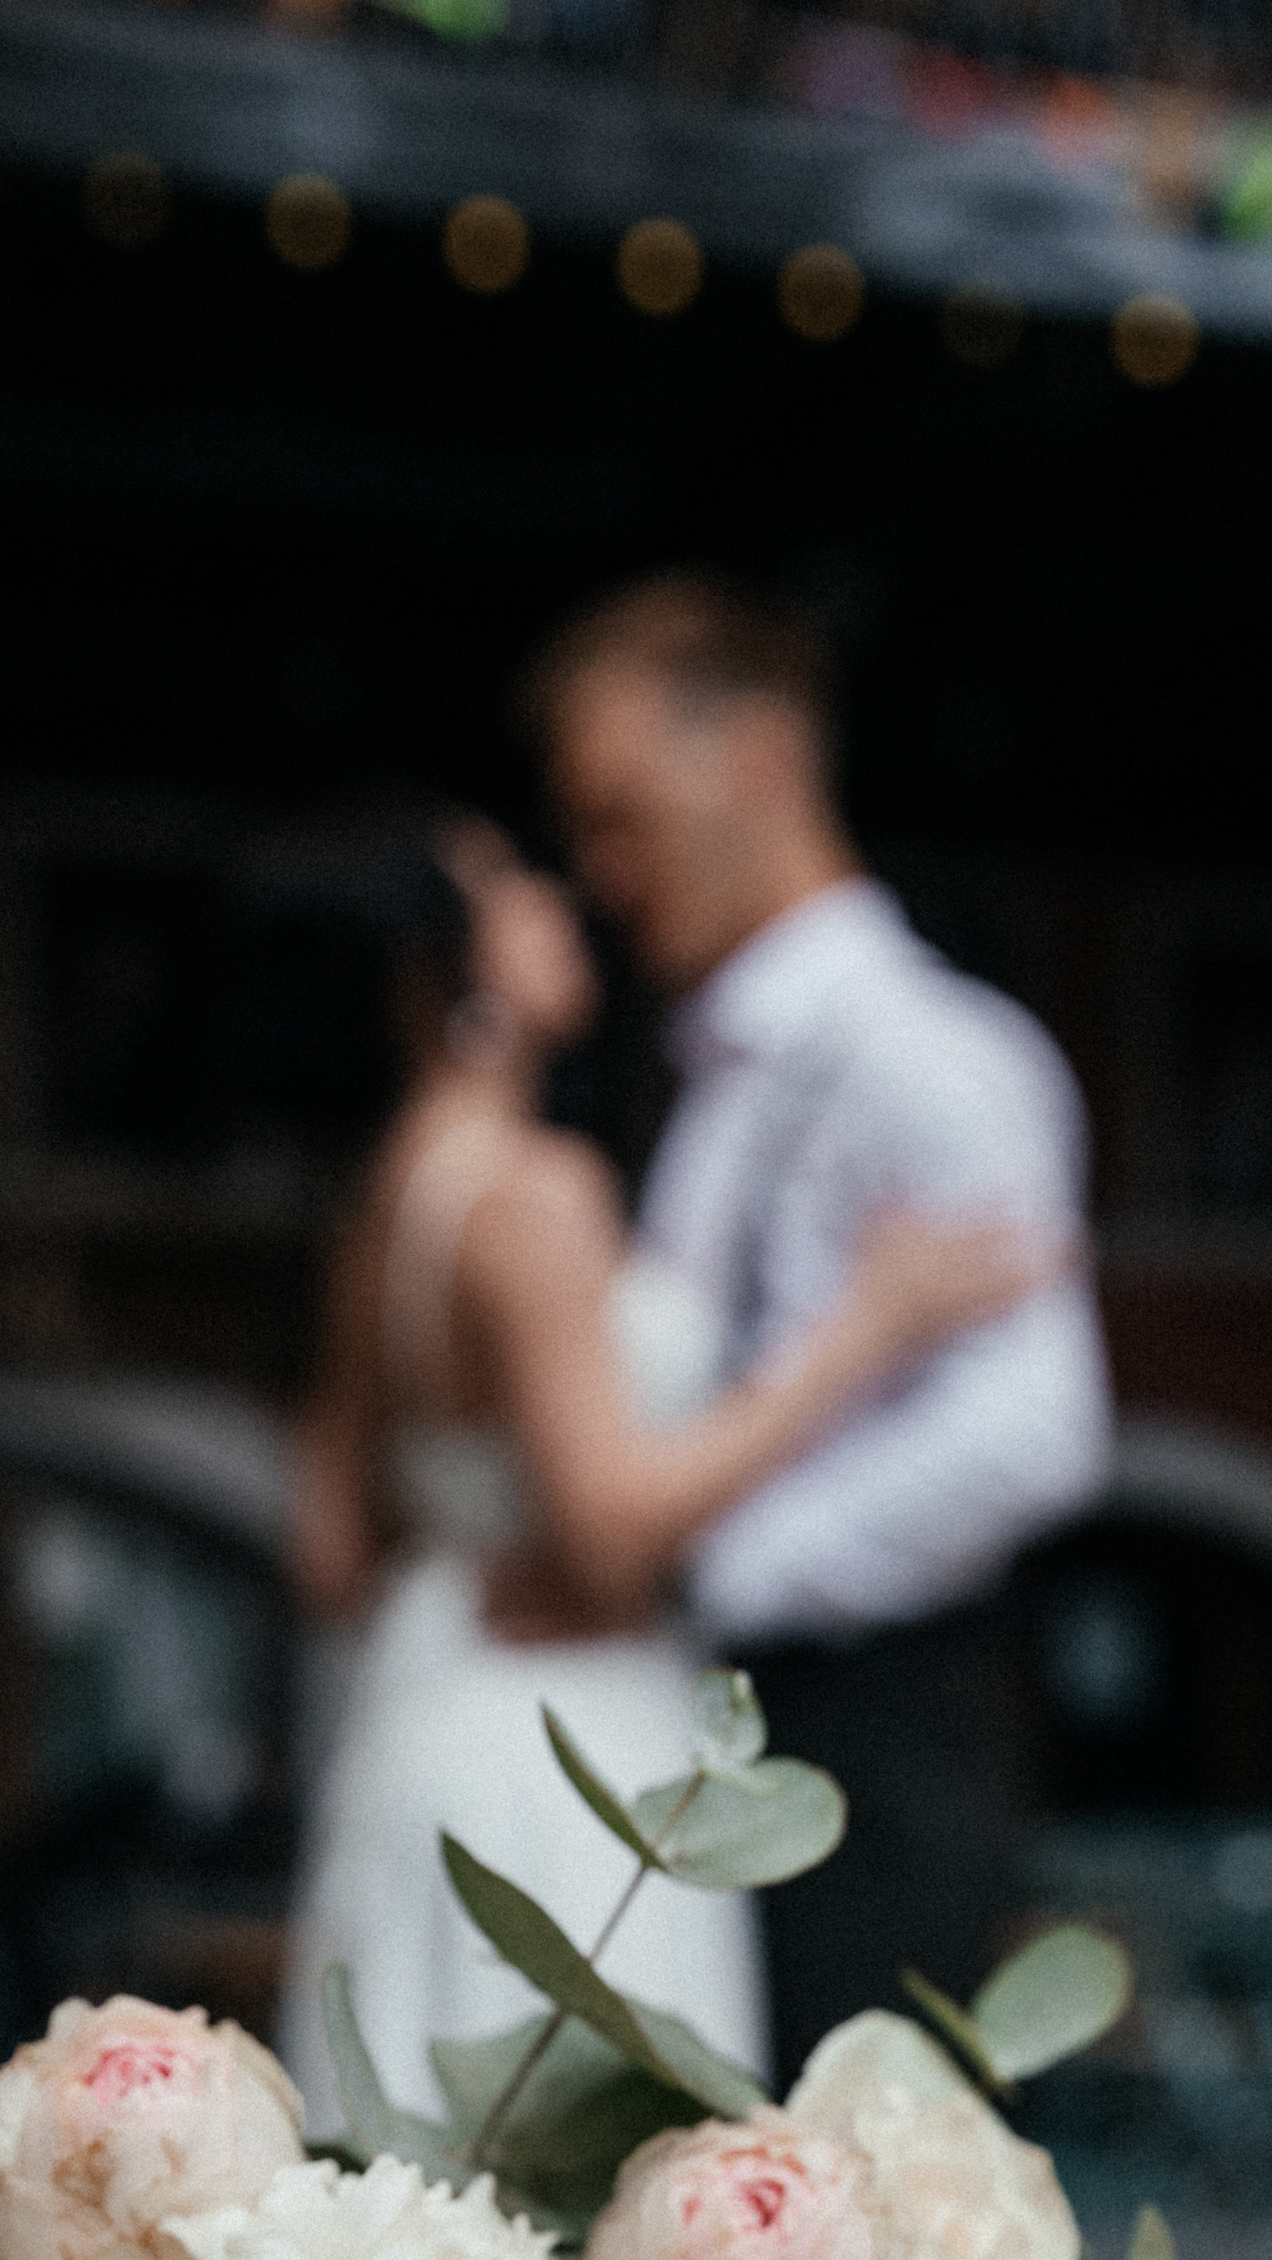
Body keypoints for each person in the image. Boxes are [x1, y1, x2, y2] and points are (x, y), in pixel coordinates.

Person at [280, 813, 1045, 2129]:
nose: (556, 902)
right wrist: (863, 1328)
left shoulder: (386, 1202)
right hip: (568, 1742)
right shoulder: (536, 1193)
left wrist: (476, 1541)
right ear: (438, 971)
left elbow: (333, 1552)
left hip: (429, 1706)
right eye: (508, 889)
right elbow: (612, 1537)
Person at [532, 578, 1116, 2085]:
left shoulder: (935, 1054)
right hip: (713, 1731)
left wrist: (713, 1574)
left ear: (766, 758)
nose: (600, 871)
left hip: (867, 1742)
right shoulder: (720, 1078)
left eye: (622, 814)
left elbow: (1034, 1434)